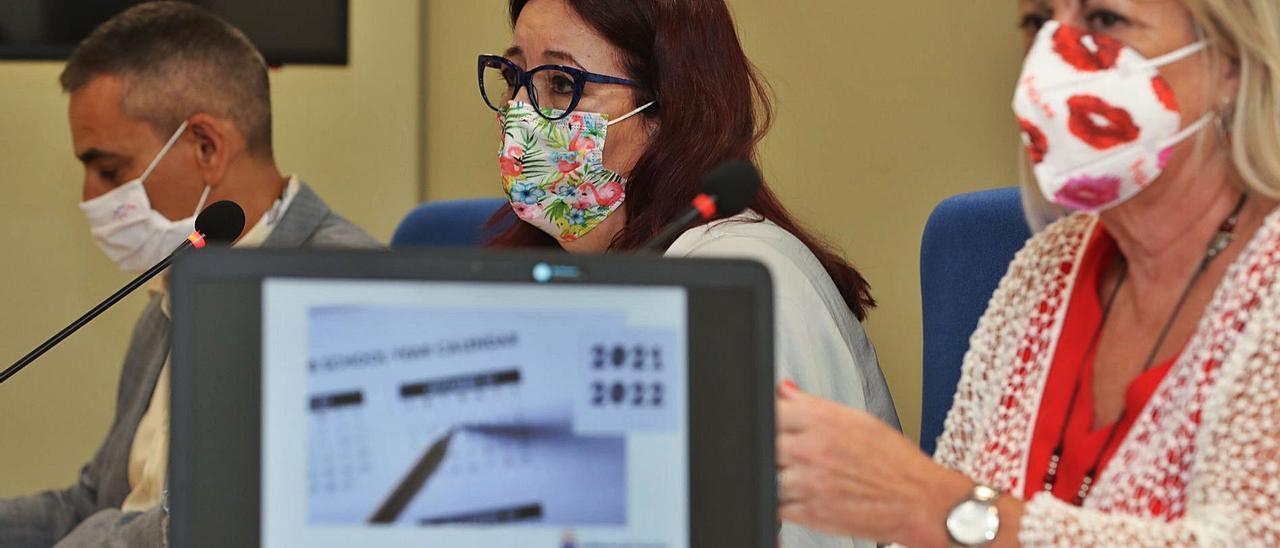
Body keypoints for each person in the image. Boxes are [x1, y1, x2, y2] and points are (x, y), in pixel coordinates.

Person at [776, 0, 1280, 546]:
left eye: (1105, 19)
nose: (1055, 57)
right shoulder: (1047, 267)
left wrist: (934, 505)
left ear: (1229, 61)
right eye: (1038, 22)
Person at [478, 1, 900, 546]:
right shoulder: (553, 275)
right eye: (516, 76)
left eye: (561, 83)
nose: (520, 113)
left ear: (666, 110)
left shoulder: (743, 281)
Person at [0, 3, 379, 546]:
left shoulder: (344, 298)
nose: (88, 199)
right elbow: (96, 502)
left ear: (207, 147)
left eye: (110, 170)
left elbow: (218, 524)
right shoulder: (176, 283)